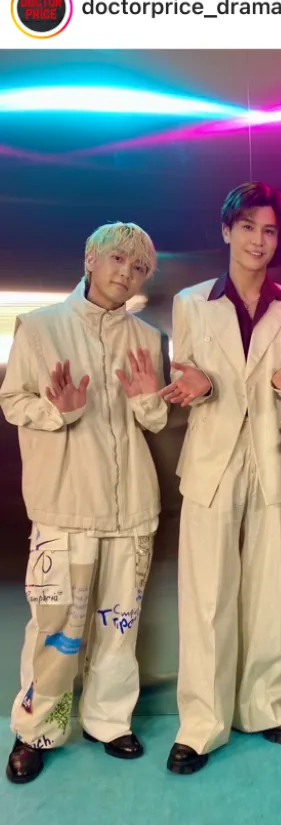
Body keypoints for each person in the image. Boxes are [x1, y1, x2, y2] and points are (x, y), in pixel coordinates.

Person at [0, 222, 167, 784]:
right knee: (55, 627)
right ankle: (36, 730)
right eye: (118, 258)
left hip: (132, 505)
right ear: (91, 259)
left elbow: (156, 419)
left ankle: (108, 721)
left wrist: (147, 402)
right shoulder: (40, 327)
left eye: (139, 267)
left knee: (120, 625)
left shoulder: (147, 338)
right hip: (64, 505)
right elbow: (12, 399)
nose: (127, 273)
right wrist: (60, 412)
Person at [162, 182, 281, 775]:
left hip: (273, 455)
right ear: (227, 230)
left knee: (270, 590)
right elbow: (186, 374)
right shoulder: (191, 302)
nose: (259, 239)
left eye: (269, 230)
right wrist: (199, 384)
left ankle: (265, 705)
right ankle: (201, 723)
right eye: (248, 226)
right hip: (211, 459)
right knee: (206, 594)